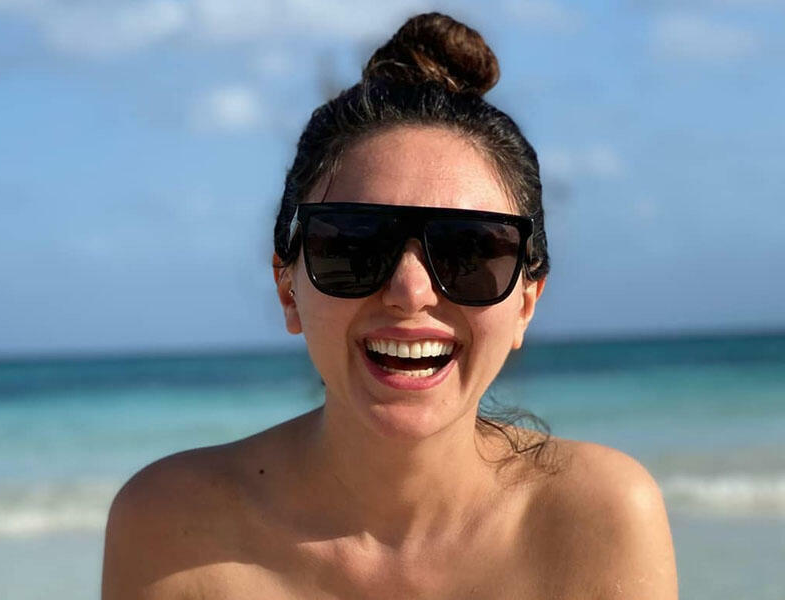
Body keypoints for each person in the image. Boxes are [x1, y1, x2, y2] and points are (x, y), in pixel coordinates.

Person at [102, 13, 677, 599]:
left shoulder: (600, 518)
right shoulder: (171, 528)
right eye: (355, 246)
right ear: (287, 287)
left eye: (469, 251)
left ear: (526, 303)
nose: (410, 291)